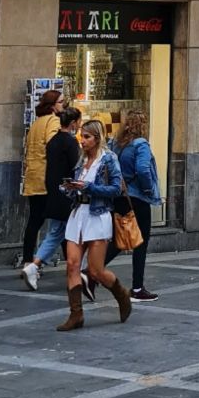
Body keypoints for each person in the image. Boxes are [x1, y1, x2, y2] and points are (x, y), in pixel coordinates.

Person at [57, 118, 131, 331]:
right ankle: (76, 314)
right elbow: (79, 186)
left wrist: (89, 187)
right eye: (81, 136)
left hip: (97, 215)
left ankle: (121, 294)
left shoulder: (108, 159)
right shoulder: (81, 160)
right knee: (72, 264)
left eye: (87, 137)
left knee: (96, 271)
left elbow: (115, 189)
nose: (82, 140)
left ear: (97, 138)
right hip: (78, 213)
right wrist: (70, 188)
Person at [21, 105, 80, 291]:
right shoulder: (70, 143)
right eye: (79, 122)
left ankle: (71, 269)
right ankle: (35, 265)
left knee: (57, 232)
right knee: (59, 233)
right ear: (72, 124)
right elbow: (75, 168)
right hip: (66, 194)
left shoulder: (53, 141)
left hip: (54, 192)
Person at [115, 110, 161, 303]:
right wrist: (149, 190)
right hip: (137, 198)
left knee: (120, 238)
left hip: (120, 196)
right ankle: (137, 287)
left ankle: (91, 271)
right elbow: (142, 169)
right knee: (140, 242)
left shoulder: (118, 145)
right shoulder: (140, 144)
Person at [20, 88, 62, 265]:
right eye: (61, 102)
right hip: (45, 177)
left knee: (34, 220)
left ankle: (28, 259)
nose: (63, 106)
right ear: (53, 106)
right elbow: (54, 146)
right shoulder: (53, 121)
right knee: (60, 221)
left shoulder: (36, 123)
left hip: (33, 176)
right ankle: (36, 261)